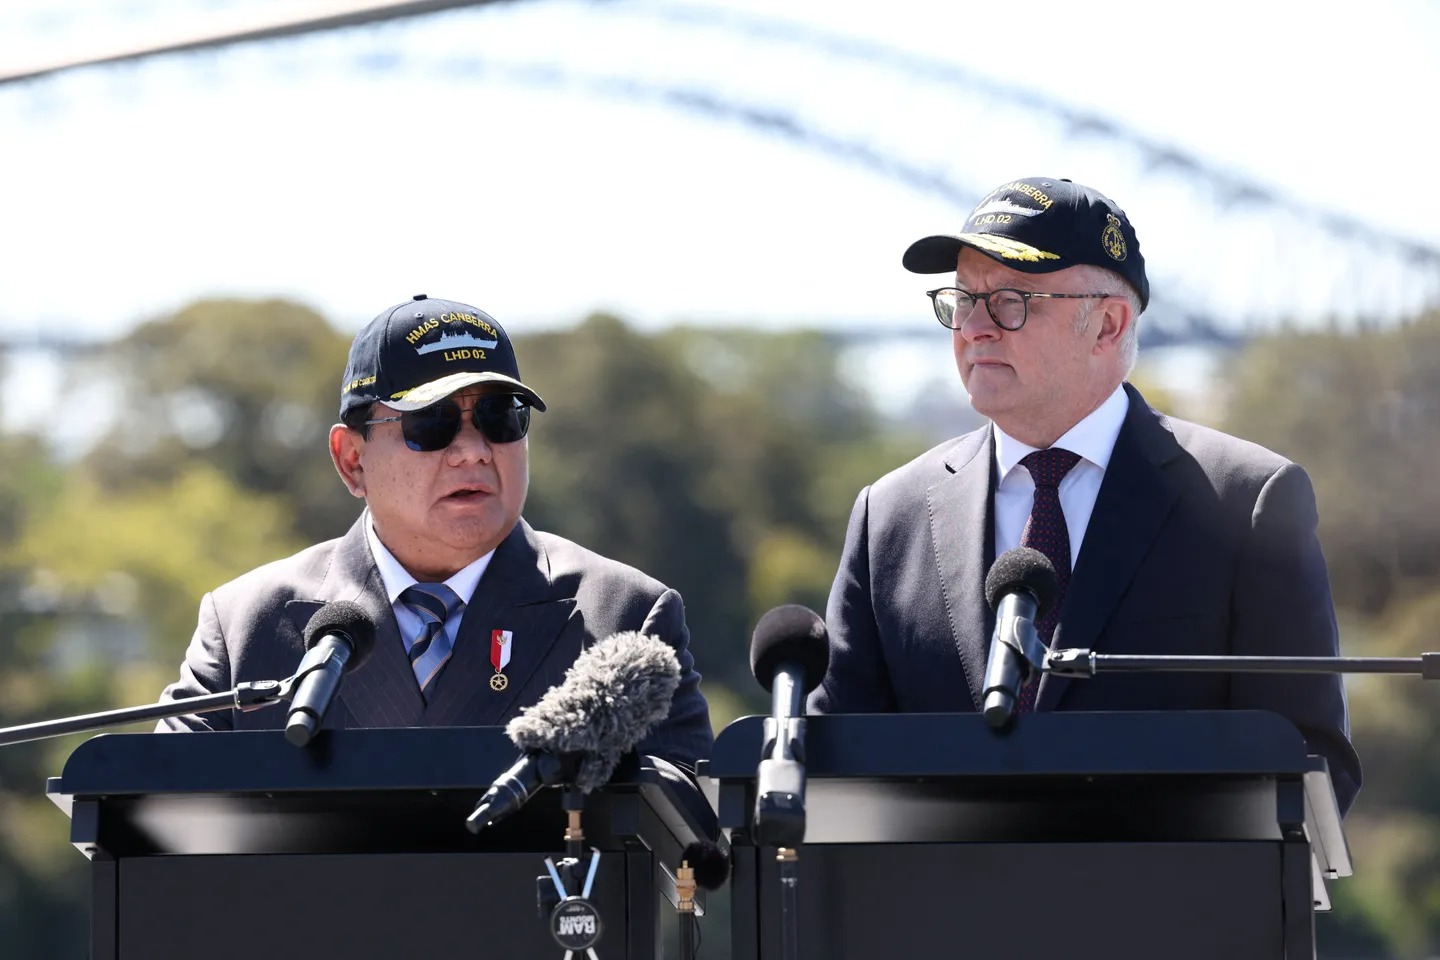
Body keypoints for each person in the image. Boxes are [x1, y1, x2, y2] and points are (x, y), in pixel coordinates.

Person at [808, 177, 1361, 813]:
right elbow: (833, 760)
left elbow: (1310, 766)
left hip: (1170, 909)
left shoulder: (1246, 500)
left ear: (1107, 323)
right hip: (944, 907)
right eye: (963, 299)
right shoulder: (890, 515)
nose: (974, 328)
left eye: (1011, 300)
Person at [157, 293, 713, 773]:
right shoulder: (246, 626)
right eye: (431, 425)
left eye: (500, 418)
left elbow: (694, 840)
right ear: (352, 460)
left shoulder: (624, 616)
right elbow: (158, 833)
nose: (472, 451)